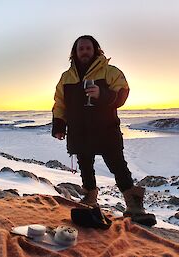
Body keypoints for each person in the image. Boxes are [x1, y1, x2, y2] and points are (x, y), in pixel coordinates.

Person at [52, 35, 154, 220]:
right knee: (85, 165)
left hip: (105, 129)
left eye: (88, 48)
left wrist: (103, 94)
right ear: (75, 52)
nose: (84, 51)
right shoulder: (66, 77)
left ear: (95, 50)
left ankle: (134, 205)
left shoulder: (110, 72)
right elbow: (60, 102)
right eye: (80, 48)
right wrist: (59, 124)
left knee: (117, 166)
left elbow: (123, 93)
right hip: (79, 130)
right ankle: (90, 198)